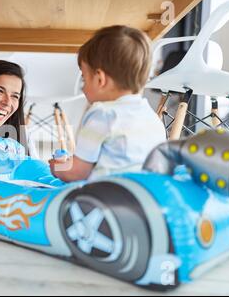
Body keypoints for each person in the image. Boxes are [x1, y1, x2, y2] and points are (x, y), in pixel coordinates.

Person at [49, 25, 166, 182]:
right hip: (145, 196)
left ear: (100, 79)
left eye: (84, 78)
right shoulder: (153, 119)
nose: (83, 88)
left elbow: (77, 173)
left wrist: (57, 166)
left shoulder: (102, 114)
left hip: (108, 199)